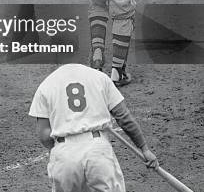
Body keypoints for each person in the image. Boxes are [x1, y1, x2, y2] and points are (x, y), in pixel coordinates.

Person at [29, 63, 158, 192]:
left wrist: (62, 151)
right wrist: (144, 149)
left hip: (64, 156)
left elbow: (44, 134)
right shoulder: (100, 77)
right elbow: (124, 118)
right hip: (97, 152)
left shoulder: (46, 85)